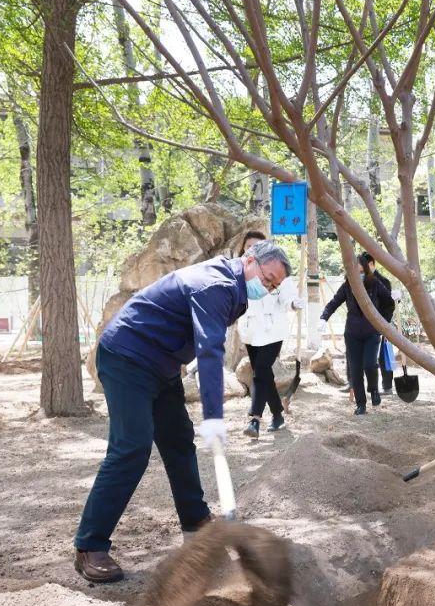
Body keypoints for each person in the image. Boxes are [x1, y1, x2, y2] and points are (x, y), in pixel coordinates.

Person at [73, 240, 291, 583]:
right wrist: (214, 417)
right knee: (132, 446)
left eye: (274, 286)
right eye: (267, 279)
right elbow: (209, 351)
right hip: (128, 356)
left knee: (178, 439)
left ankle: (195, 522)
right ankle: (90, 545)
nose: (267, 288)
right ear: (249, 260)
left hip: (161, 364)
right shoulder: (216, 285)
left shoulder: (235, 289)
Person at [237, 231, 303, 439]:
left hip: (272, 331)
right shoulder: (240, 271)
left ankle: (255, 419)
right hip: (251, 330)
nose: (253, 250)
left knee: (260, 372)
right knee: (264, 374)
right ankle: (277, 414)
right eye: (249, 246)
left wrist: (293, 303)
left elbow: (287, 296)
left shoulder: (277, 269)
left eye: (257, 246)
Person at [318, 252, 394, 415]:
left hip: (372, 332)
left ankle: (373, 389)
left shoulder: (375, 283)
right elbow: (334, 302)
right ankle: (361, 404)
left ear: (365, 269)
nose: (358, 274)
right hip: (352, 333)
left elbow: (389, 302)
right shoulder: (348, 285)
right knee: (355, 369)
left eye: (361, 271)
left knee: (369, 364)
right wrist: (324, 318)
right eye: (355, 271)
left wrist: (384, 323)